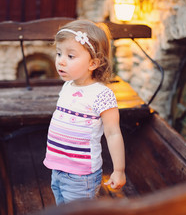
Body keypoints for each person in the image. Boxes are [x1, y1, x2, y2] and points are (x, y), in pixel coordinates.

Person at [43, 20, 126, 205]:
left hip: (81, 176)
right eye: (59, 53)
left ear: (93, 63)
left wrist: (119, 170)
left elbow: (113, 133)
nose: (61, 61)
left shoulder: (102, 94)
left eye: (71, 56)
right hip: (57, 169)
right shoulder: (67, 86)